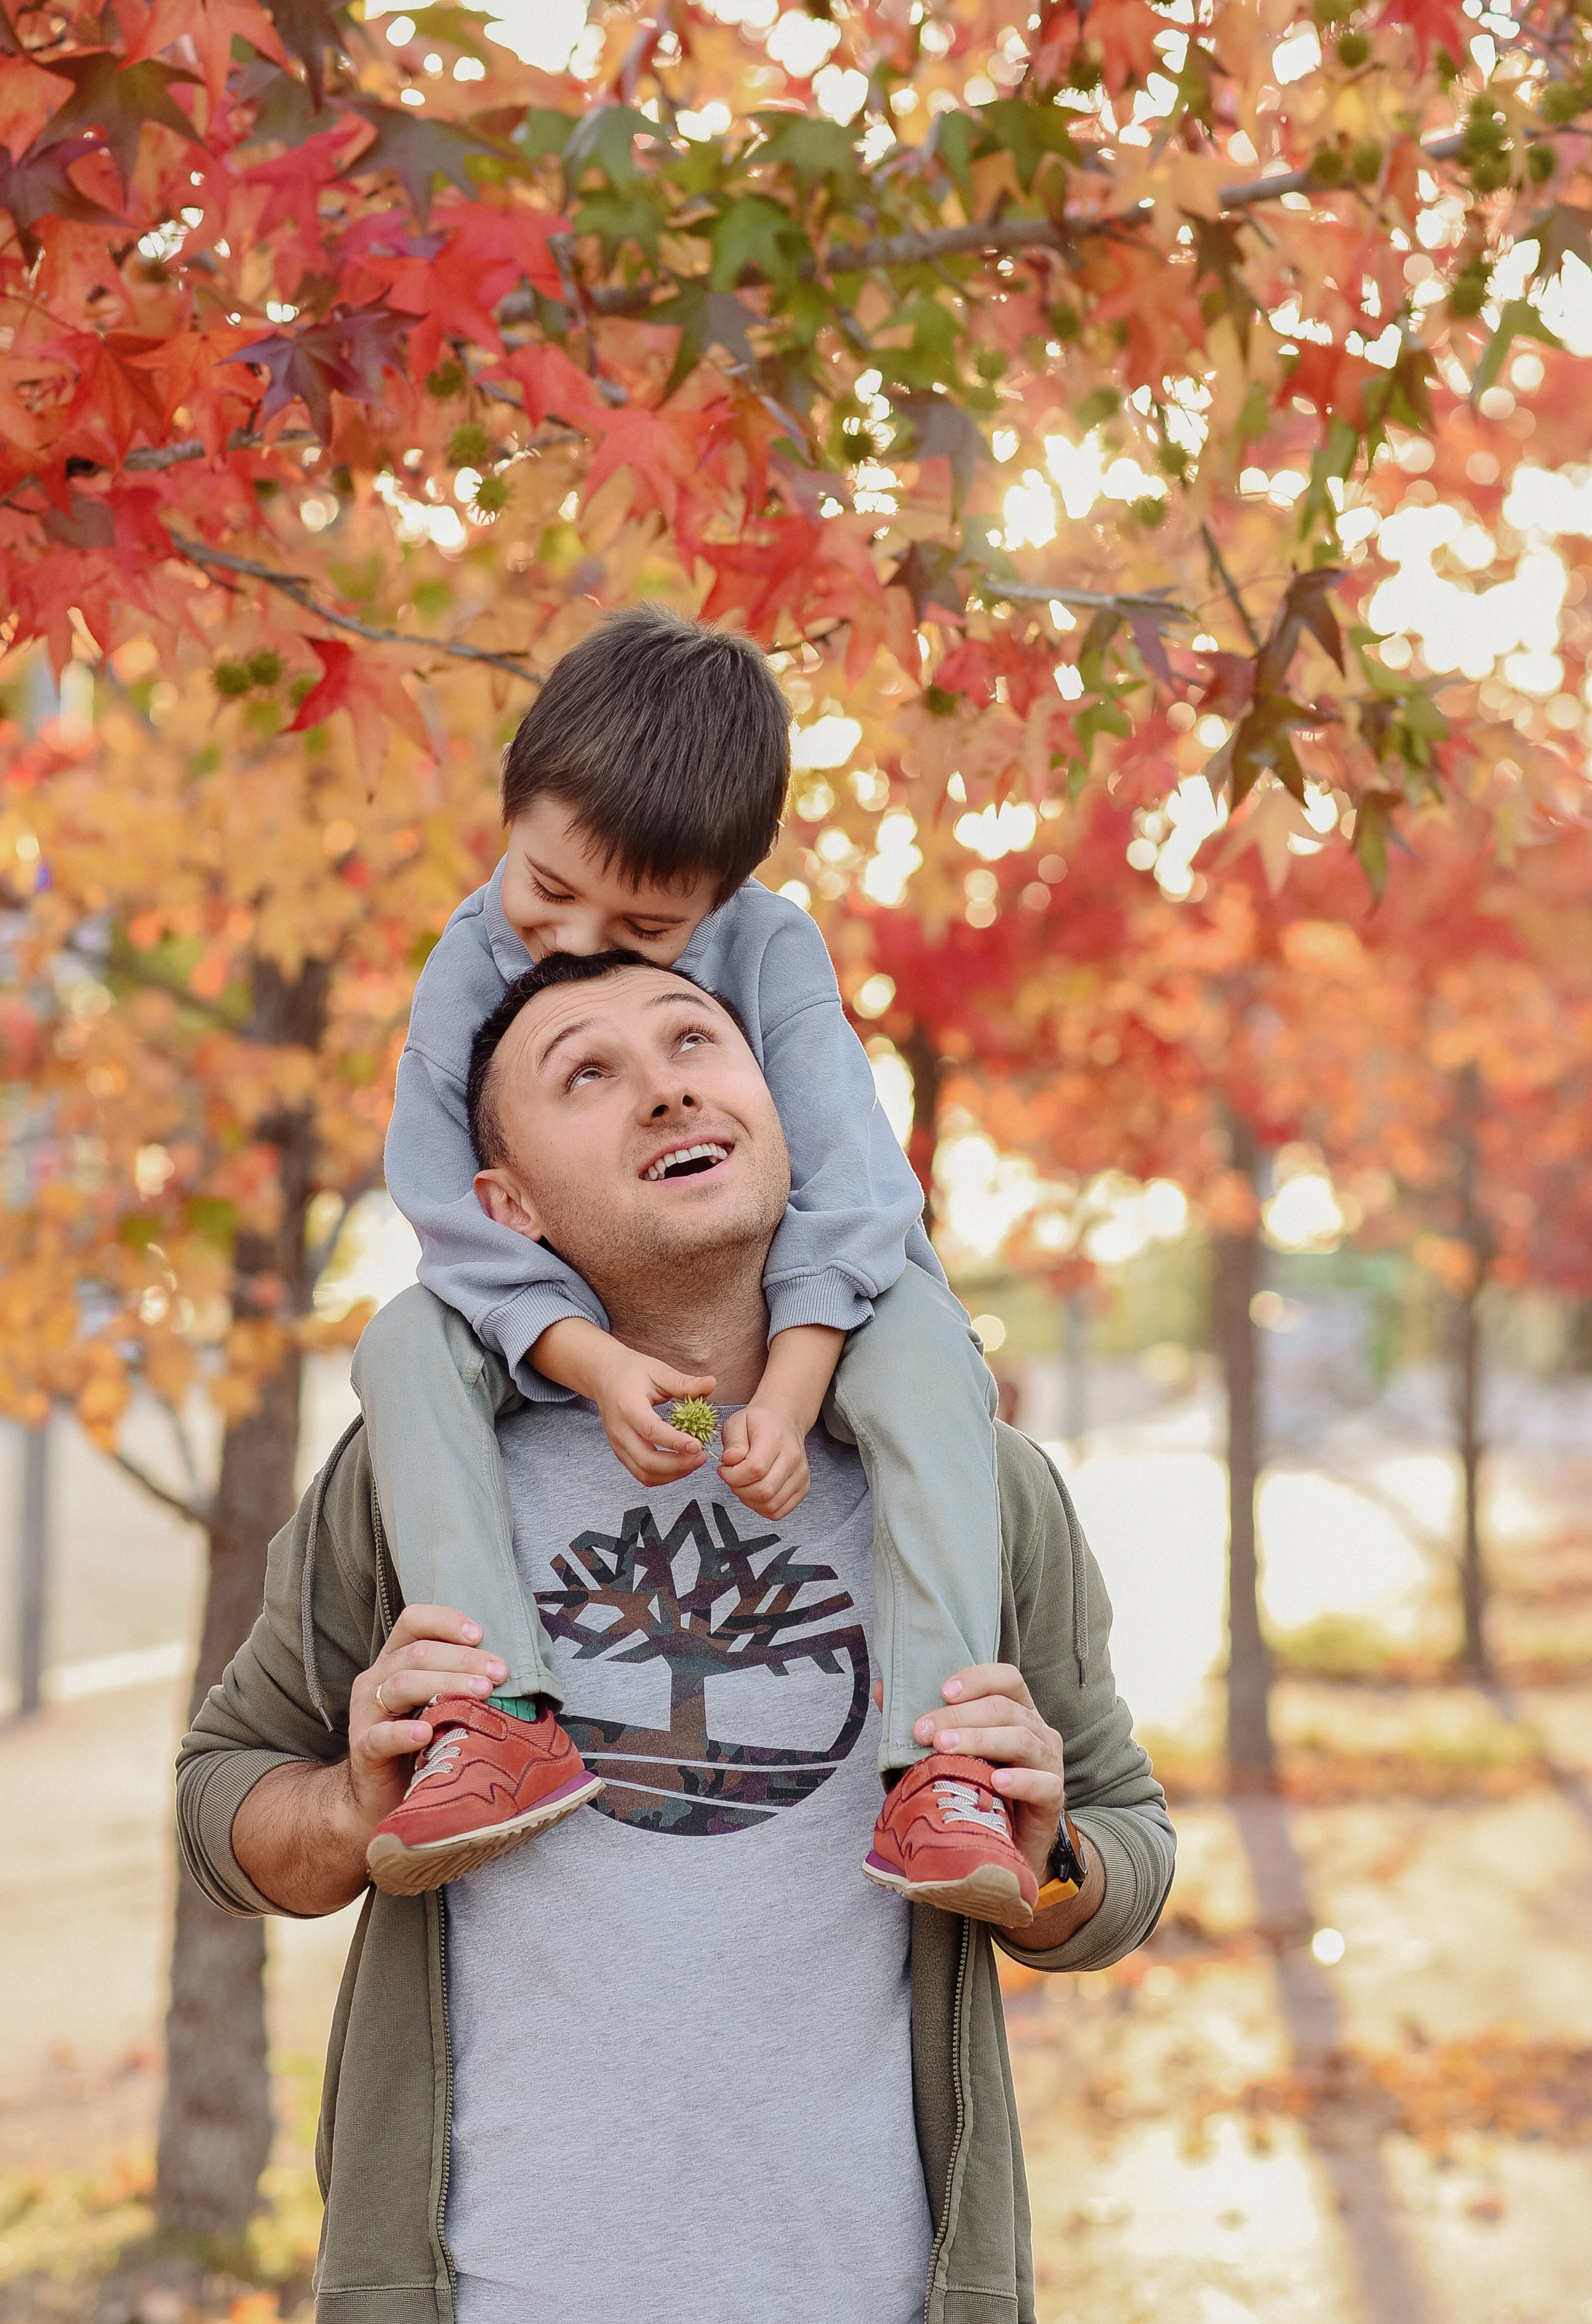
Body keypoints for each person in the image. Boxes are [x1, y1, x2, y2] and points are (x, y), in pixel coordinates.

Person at [176, 952, 1175, 2324]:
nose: (664, 1090)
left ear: (779, 1108)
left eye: (694, 1041)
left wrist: (1047, 1851)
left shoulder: (975, 1485)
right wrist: (354, 1806)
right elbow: (220, 1797)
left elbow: (1123, 1844)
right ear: (507, 1206)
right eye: (586, 1072)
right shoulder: (414, 1472)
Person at [351, 601, 1018, 1913]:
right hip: (581, 1335)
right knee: (403, 1340)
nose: (578, 942)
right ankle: (496, 1715)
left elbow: (855, 1186)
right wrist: (591, 1360)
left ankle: (945, 1769)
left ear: (720, 898)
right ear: (511, 809)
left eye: (649, 929)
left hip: (811, 1323)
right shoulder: (466, 961)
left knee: (926, 1348)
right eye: (548, 889)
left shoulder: (770, 947)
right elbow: (448, 1209)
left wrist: (793, 1386)